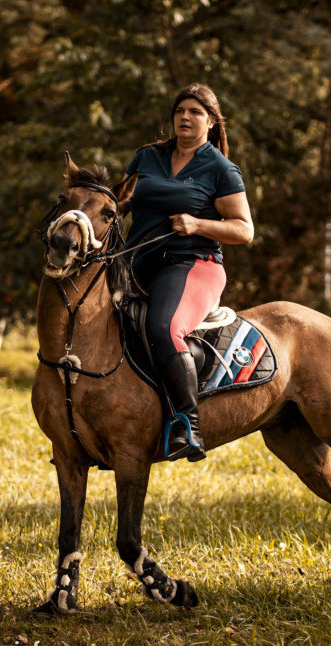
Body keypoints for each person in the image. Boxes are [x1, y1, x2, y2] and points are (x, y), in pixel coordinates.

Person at [121, 83, 254, 461]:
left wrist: (197, 224)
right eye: (180, 110)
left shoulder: (220, 169)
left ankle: (186, 424)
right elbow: (119, 204)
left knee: (164, 328)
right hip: (135, 263)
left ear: (211, 122)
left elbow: (244, 230)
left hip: (192, 264)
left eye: (196, 112)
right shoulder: (146, 157)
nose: (185, 117)